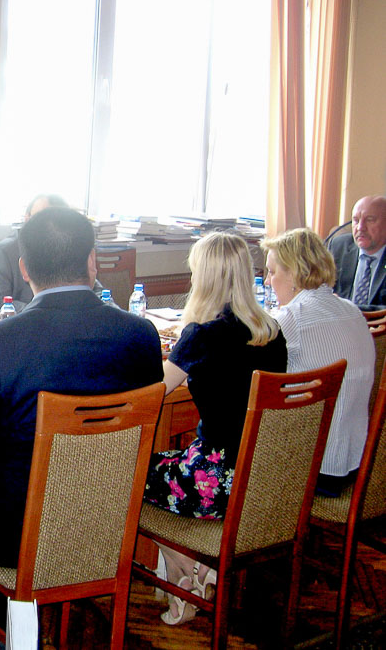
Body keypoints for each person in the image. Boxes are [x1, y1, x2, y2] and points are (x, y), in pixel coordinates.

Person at [0, 207, 163, 643]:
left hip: (14, 532)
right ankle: (19, 625)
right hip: (108, 516)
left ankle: (7, 625)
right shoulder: (140, 334)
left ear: (24, 269)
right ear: (92, 260)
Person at [142, 232, 287, 626]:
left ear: (203, 278)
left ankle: (184, 572)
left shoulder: (202, 336)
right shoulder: (272, 332)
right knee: (167, 460)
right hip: (261, 479)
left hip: (216, 482)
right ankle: (199, 569)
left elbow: (153, 392)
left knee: (128, 472)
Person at [263, 228, 374, 496]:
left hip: (313, 469)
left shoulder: (291, 318)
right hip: (356, 462)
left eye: (272, 272)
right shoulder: (352, 311)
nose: (267, 281)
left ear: (293, 273)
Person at [0, 194, 114, 320]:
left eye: (59, 221)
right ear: (27, 219)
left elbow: (99, 292)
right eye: (41, 219)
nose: (49, 228)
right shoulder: (1, 253)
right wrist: (48, 313)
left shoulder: (70, 246)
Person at [330, 195, 386, 308]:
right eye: (356, 220)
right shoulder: (339, 246)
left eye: (370, 220)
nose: (360, 227)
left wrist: (350, 309)